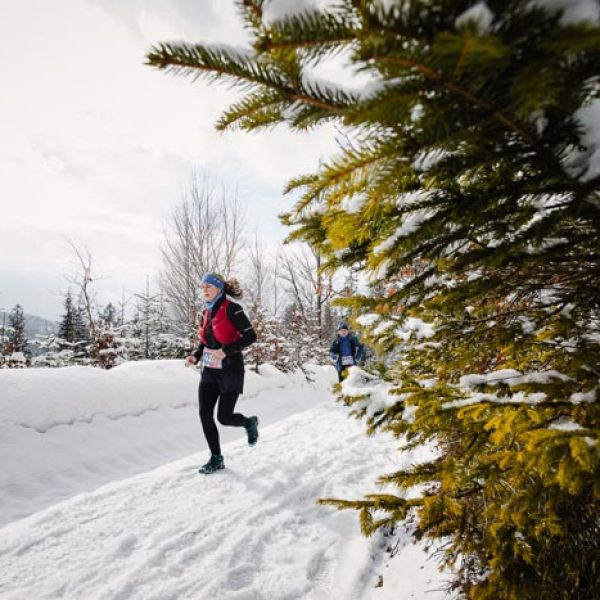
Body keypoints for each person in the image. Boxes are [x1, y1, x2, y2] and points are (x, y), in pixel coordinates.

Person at [185, 273, 258, 475]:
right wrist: (196, 355)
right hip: (209, 371)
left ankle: (248, 422)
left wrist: (225, 350)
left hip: (230, 370)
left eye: (209, 286)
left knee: (224, 417)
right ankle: (216, 458)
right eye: (203, 287)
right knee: (204, 413)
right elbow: (206, 340)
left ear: (219, 288)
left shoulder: (233, 309)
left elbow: (251, 336)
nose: (205, 290)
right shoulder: (206, 312)